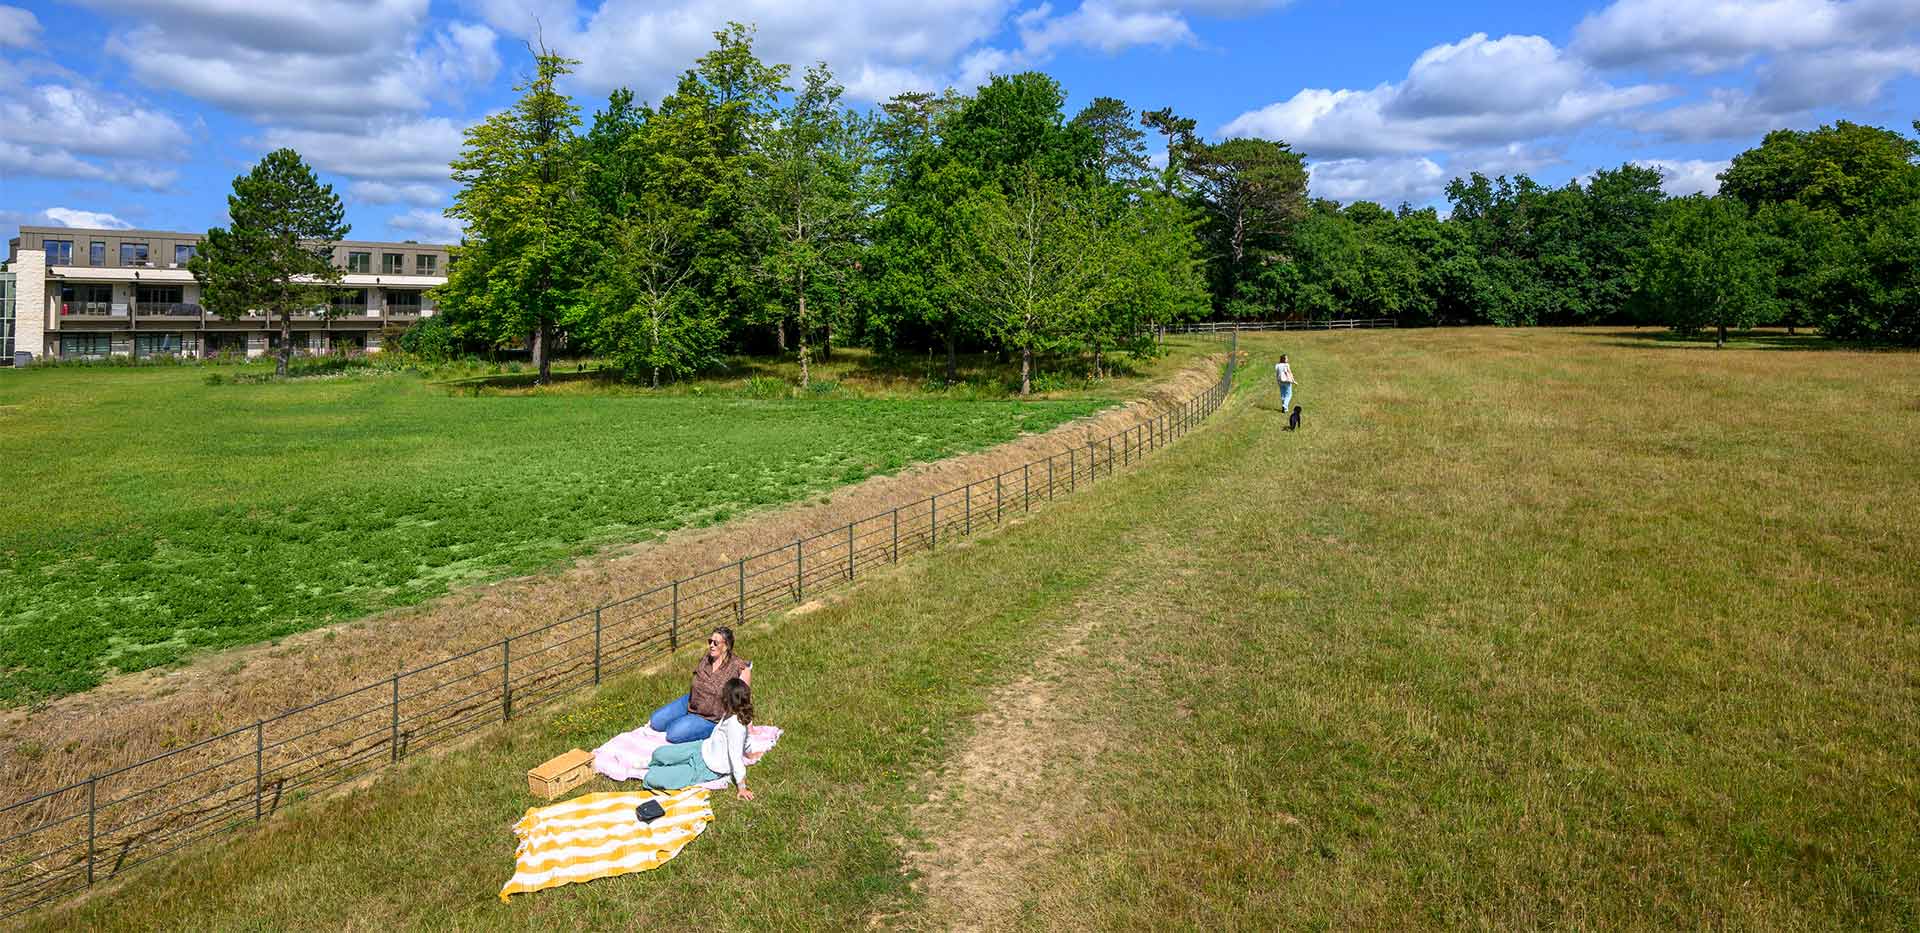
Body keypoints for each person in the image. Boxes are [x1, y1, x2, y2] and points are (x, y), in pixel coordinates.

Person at [643, 677, 755, 800]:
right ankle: (663, 766)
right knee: (659, 754)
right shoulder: (730, 712)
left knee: (651, 777)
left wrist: (742, 787)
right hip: (700, 748)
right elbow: (747, 740)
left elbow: (736, 757)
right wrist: (750, 753)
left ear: (727, 700)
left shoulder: (736, 726)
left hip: (707, 767)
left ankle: (664, 771)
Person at [648, 627, 753, 743]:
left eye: (716, 643)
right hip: (691, 701)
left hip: (711, 717)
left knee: (673, 734)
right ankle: (686, 719)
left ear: (726, 646)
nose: (711, 645)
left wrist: (749, 727)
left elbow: (744, 701)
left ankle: (708, 729)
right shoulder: (707, 658)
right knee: (656, 721)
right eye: (710, 642)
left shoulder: (740, 668)